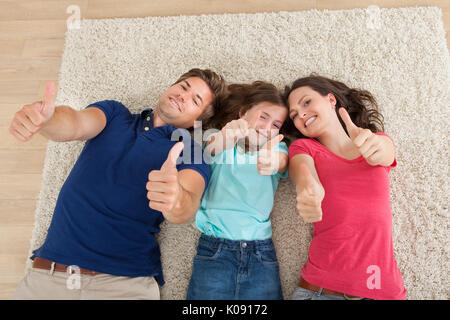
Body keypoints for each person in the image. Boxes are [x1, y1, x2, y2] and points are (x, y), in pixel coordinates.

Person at [10, 68, 227, 300]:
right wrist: (47, 119)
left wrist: (174, 198)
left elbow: (187, 204)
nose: (183, 95)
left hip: (123, 285)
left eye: (195, 100)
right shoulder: (114, 114)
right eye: (183, 87)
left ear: (197, 121)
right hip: (48, 278)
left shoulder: (191, 152)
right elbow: (74, 123)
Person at [285, 74, 407, 300]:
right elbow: (302, 171)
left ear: (331, 100)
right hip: (320, 290)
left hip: (383, 290)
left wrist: (373, 145)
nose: (300, 114)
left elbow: (384, 151)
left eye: (306, 102)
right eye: (294, 114)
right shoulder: (304, 148)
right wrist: (309, 188)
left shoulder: (375, 139)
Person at [186, 81, 289, 300]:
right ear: (243, 112)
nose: (267, 128)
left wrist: (274, 161)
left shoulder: (276, 146)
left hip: (260, 251)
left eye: (276, 125)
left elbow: (283, 162)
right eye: (263, 116)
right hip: (215, 247)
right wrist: (227, 136)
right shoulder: (220, 140)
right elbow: (211, 148)